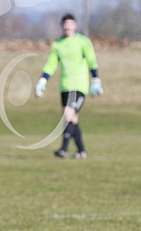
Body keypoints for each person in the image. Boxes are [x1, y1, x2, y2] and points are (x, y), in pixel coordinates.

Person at [35, 13, 102, 160]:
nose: (68, 26)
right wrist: (43, 80)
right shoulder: (57, 44)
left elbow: (91, 60)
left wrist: (96, 79)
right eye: (65, 23)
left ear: (75, 25)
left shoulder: (83, 42)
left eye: (70, 23)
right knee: (73, 119)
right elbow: (51, 64)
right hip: (65, 86)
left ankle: (63, 149)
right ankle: (81, 151)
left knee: (68, 114)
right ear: (62, 26)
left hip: (80, 85)